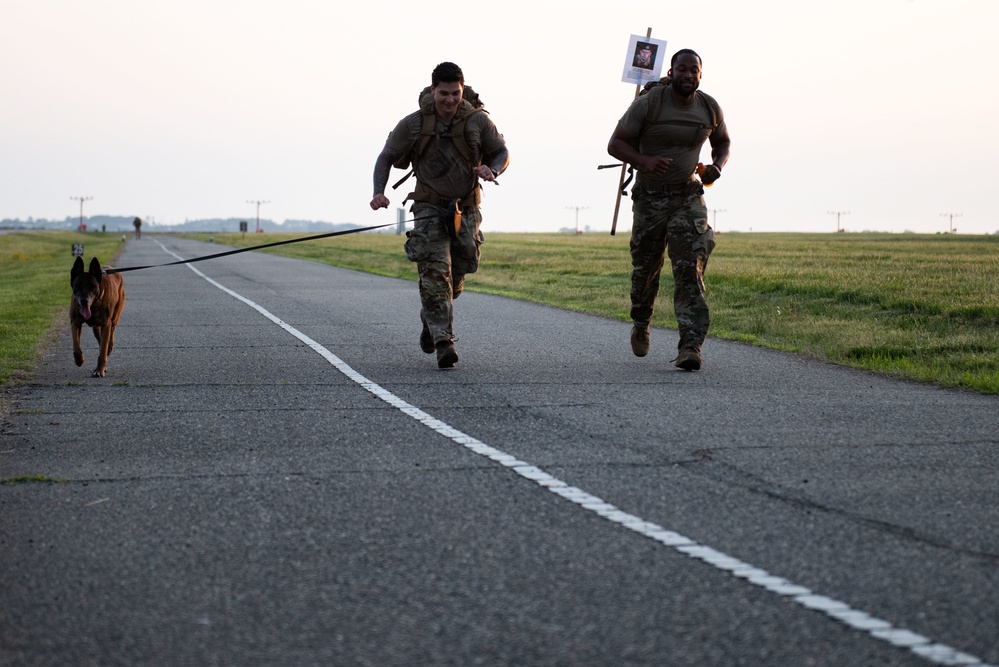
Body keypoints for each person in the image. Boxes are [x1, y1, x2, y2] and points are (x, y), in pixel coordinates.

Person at [370, 62, 509, 369]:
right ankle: (443, 341)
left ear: (462, 90)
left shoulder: (477, 122)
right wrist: (379, 192)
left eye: (455, 94)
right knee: (435, 274)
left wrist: (492, 169)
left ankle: (430, 318)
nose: (449, 100)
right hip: (428, 207)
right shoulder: (415, 123)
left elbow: (501, 151)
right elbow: (387, 156)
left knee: (461, 271)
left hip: (466, 208)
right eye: (443, 93)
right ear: (433, 90)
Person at [607, 48, 731, 371]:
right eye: (683, 70)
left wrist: (717, 166)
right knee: (645, 270)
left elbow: (723, 142)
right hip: (649, 198)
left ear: (700, 75)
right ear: (672, 72)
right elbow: (615, 143)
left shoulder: (709, 107)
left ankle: (690, 346)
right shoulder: (650, 103)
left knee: (690, 268)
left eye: (695, 70)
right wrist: (644, 161)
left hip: (688, 196)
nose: (689, 75)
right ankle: (641, 320)